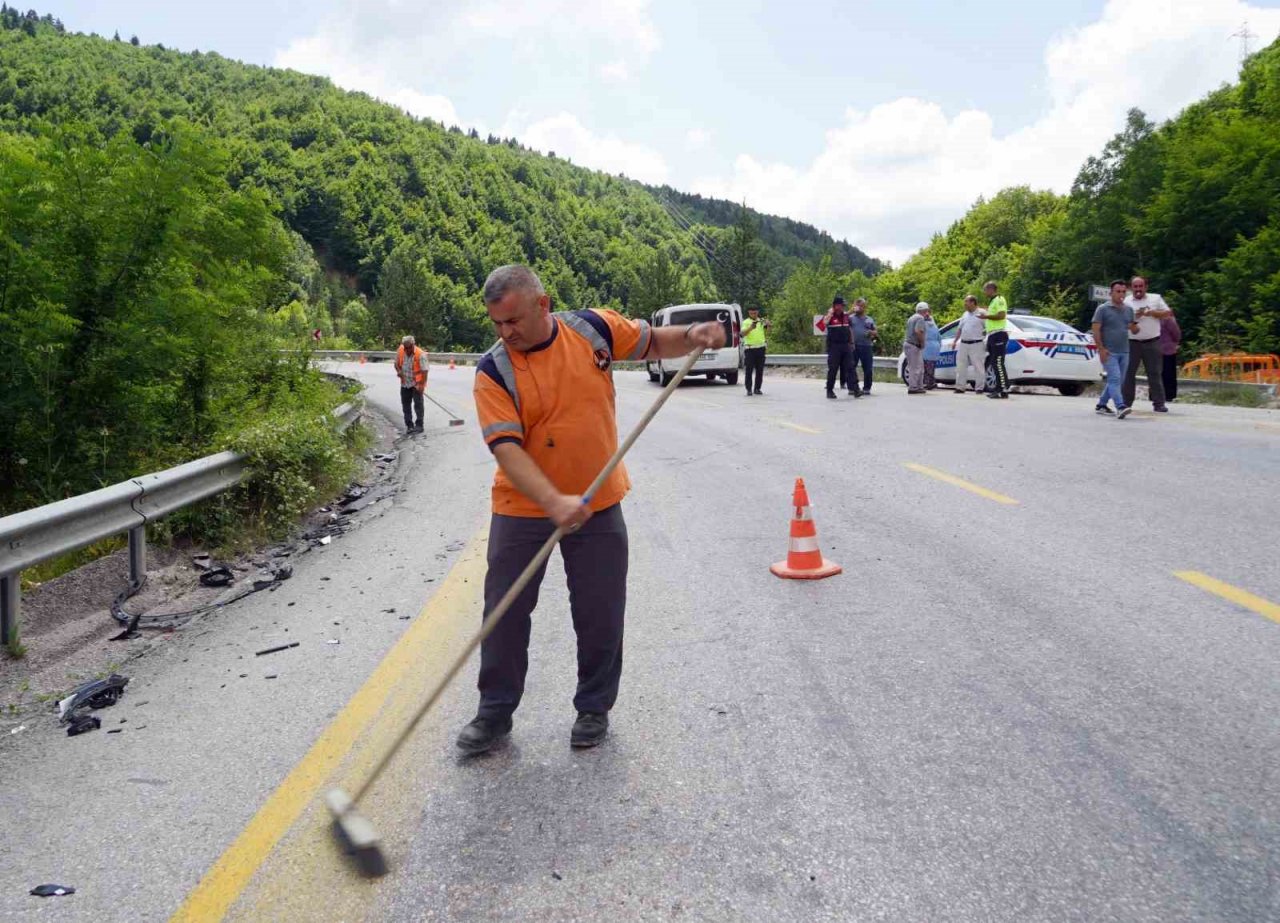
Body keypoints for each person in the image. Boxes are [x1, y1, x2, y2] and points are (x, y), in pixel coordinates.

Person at [463, 265, 725, 753]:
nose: (506, 333)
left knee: (601, 610)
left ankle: (593, 708)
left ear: (543, 305)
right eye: (497, 324)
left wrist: (692, 333)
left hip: (598, 501)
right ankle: (494, 713)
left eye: (514, 321)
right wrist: (552, 501)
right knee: (504, 611)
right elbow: (506, 449)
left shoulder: (592, 329)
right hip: (523, 509)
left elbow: (649, 342)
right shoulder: (493, 370)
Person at [1091, 280, 1138, 419]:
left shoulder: (1128, 309)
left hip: (1125, 350)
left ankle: (1101, 404)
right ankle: (1120, 406)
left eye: (1124, 291)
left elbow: (1133, 329)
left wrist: (1136, 326)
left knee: (1117, 380)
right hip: (1109, 351)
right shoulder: (1103, 309)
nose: (1121, 294)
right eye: (1118, 291)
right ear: (1111, 293)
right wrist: (1101, 349)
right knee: (1115, 379)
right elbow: (1096, 330)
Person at [1122, 276, 1170, 412]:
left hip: (1152, 341)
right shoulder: (1126, 302)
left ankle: (1159, 403)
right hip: (1132, 342)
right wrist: (1134, 318)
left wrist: (1152, 313)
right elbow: (1120, 321)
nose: (1138, 289)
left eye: (1140, 286)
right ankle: (1126, 403)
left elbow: (1168, 314)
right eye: (1135, 287)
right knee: (1128, 373)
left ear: (1146, 287)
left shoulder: (1155, 298)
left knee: (1154, 373)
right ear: (1131, 288)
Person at [822, 295, 859, 399]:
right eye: (841, 305)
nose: (843, 307)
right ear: (836, 306)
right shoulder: (830, 316)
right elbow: (823, 324)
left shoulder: (846, 316)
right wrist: (830, 313)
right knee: (833, 369)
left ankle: (856, 389)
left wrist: (852, 343)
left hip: (845, 345)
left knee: (851, 367)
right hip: (834, 346)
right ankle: (830, 390)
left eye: (843, 305)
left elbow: (849, 329)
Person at [978, 281, 1009, 398]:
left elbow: (1001, 315)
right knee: (993, 363)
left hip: (999, 335)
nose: (984, 292)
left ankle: (1002, 389)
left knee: (998, 363)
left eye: (985, 290)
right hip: (992, 335)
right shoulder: (992, 302)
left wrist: (985, 316)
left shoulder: (1000, 299)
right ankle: (1001, 389)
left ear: (991, 289)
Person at [952, 296, 987, 394]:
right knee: (961, 366)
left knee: (978, 366)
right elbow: (959, 328)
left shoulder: (982, 313)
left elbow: (988, 327)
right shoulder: (965, 314)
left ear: (973, 302)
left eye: (966, 302)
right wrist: (955, 341)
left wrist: (985, 338)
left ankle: (979, 388)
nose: (965, 304)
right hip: (963, 343)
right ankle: (960, 387)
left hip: (977, 343)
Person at [393, 335, 428, 433]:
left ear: (413, 345)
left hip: (416, 384)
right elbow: (396, 364)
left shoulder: (420, 354)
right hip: (405, 383)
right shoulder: (400, 350)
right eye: (405, 347)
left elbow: (425, 371)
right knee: (406, 405)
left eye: (409, 347)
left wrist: (421, 385)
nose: (407, 349)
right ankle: (409, 426)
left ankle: (419, 425)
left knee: (418, 404)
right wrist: (399, 371)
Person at [850, 298, 878, 394]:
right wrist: (851, 310)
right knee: (851, 367)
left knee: (867, 368)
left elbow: (875, 332)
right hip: (853, 346)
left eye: (861, 305)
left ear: (864, 307)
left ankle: (867, 388)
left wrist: (871, 332)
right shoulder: (850, 318)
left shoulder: (869, 319)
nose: (859, 307)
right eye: (857, 305)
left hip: (866, 346)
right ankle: (852, 387)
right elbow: (843, 321)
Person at [741, 306, 769, 396]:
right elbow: (742, 334)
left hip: (761, 348)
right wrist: (750, 328)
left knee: (759, 370)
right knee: (749, 370)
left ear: (758, 312)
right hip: (750, 349)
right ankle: (749, 389)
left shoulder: (761, 321)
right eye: (752, 313)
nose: (754, 314)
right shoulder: (746, 322)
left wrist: (768, 325)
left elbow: (768, 331)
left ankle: (757, 388)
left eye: (755, 313)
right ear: (749, 313)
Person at [904, 302, 929, 393]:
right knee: (916, 367)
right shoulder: (920, 318)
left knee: (915, 366)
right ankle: (913, 387)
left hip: (908, 344)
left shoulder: (912, 317)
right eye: (926, 311)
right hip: (914, 345)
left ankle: (918, 386)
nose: (927, 313)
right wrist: (922, 343)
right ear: (924, 310)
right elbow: (918, 331)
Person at [1160, 302, 1182, 403]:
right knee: (1169, 373)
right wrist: (1175, 342)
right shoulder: (1168, 319)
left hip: (1155, 349)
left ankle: (1155, 394)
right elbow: (1176, 333)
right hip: (1168, 350)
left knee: (1157, 373)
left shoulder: (1155, 319)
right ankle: (1169, 394)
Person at [922, 309, 942, 389]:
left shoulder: (923, 324)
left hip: (927, 346)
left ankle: (928, 383)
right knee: (931, 367)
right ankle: (931, 382)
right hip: (935, 347)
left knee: (926, 367)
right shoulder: (934, 325)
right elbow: (939, 337)